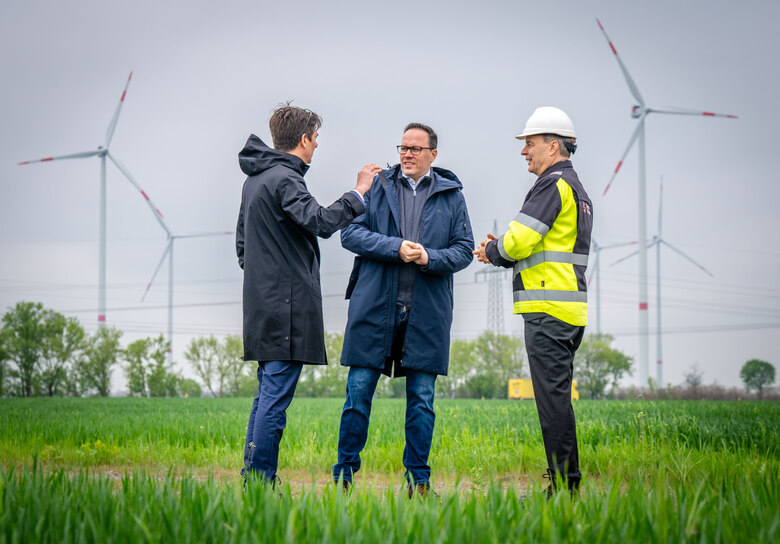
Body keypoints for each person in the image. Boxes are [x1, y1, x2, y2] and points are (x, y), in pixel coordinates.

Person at [236, 103, 380, 486]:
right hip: (286, 308)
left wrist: (264, 281)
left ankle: (253, 477)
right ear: (303, 139)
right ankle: (262, 482)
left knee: (266, 393)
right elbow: (320, 221)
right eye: (315, 140)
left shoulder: (255, 179)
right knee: (275, 399)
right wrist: (359, 192)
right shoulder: (285, 178)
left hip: (261, 307)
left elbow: (242, 247)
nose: (316, 147)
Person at [333, 123, 474, 497]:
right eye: (402, 147)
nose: (407, 154)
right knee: (358, 394)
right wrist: (395, 247)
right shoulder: (378, 186)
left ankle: (418, 481)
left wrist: (429, 256)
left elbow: (463, 249)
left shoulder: (452, 196)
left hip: (426, 313)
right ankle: (344, 476)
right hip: (374, 307)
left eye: (415, 148)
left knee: (422, 401)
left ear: (433, 155)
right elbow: (351, 234)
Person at [473, 107, 593, 497]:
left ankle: (563, 487)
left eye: (530, 144)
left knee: (552, 404)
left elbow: (521, 238)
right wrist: (504, 248)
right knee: (558, 399)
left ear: (553, 145)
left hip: (548, 311)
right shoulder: (577, 190)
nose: (525, 152)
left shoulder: (552, 184)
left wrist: (494, 250)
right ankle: (566, 482)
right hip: (568, 309)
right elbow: (539, 242)